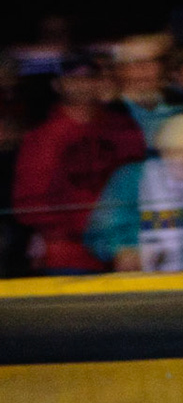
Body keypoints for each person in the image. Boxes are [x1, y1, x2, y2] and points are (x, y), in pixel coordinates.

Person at [12, 55, 148, 273]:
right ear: (58, 85)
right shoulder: (41, 137)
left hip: (126, 249)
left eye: (89, 78)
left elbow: (142, 185)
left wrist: (124, 237)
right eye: (73, 79)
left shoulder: (124, 128)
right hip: (70, 256)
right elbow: (30, 203)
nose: (83, 85)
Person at [86, 110, 183, 271]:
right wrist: (125, 251)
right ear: (166, 151)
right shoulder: (131, 180)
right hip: (142, 281)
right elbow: (104, 231)